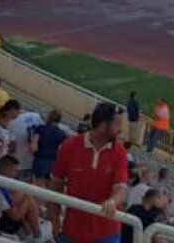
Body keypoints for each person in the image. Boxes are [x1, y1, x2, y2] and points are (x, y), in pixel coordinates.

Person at [49, 101, 129, 243]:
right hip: (72, 231)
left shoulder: (120, 151)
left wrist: (112, 201)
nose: (121, 129)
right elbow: (56, 186)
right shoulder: (69, 147)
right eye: (117, 124)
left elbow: (121, 188)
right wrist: (55, 220)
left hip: (107, 233)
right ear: (103, 126)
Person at [30, 109, 67, 185]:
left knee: (37, 186)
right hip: (53, 163)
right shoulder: (62, 134)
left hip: (40, 160)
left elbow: (34, 147)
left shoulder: (41, 129)